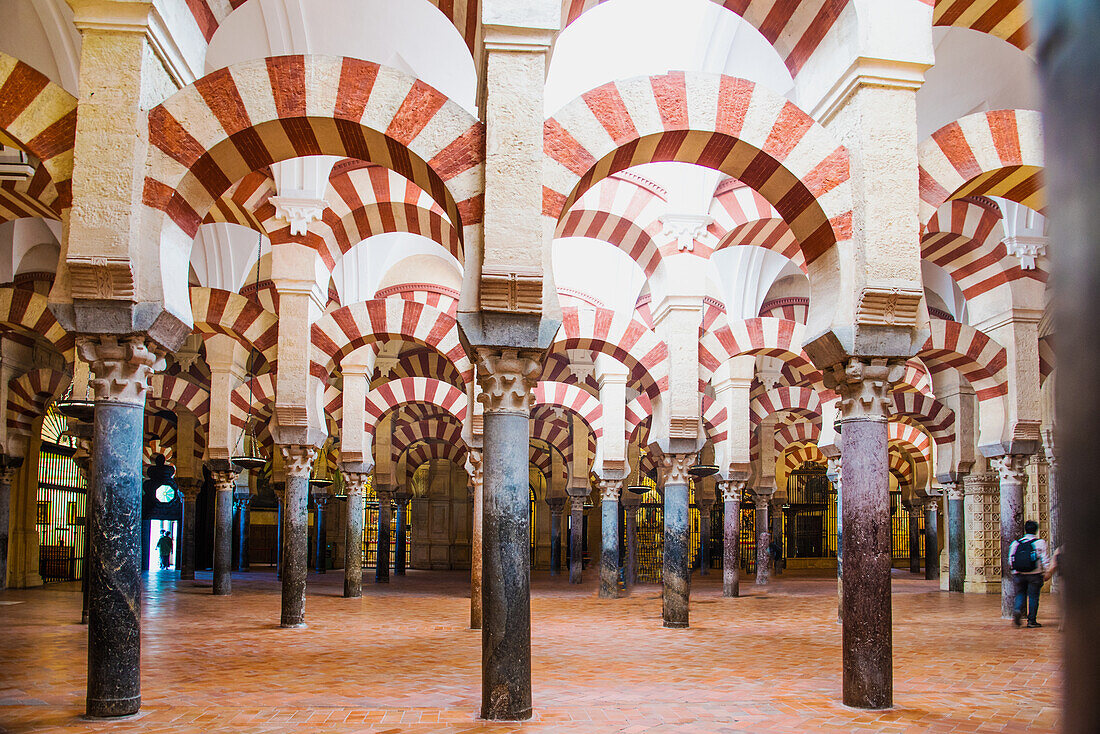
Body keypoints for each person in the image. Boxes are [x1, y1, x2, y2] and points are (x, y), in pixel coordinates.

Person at [1008, 520, 1051, 628]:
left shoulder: (1016, 543)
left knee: (1020, 594)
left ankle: (1017, 610)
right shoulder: (1040, 542)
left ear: (1025, 530)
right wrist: (1047, 572)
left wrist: (1015, 571)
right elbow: (1045, 559)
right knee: (1033, 596)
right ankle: (1031, 621)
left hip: (1019, 574)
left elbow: (1010, 559)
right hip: (1035, 574)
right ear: (1036, 530)